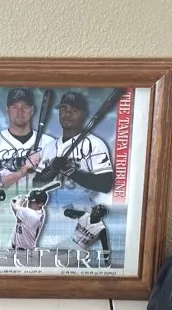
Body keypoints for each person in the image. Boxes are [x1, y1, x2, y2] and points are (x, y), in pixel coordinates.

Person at [36, 91, 115, 255]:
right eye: (64, 109)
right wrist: (48, 172)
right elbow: (35, 185)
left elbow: (105, 184)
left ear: (83, 114)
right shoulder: (49, 147)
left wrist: (70, 170)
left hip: (81, 219)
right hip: (50, 219)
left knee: (71, 264)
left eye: (74, 110)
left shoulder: (94, 144)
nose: (68, 114)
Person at [0, 88, 55, 195]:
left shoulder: (49, 142)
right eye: (14, 107)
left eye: (25, 107)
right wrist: (23, 171)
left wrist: (39, 168)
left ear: (32, 110)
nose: (20, 112)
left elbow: (56, 183)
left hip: (38, 203)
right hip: (2, 203)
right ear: (7, 110)